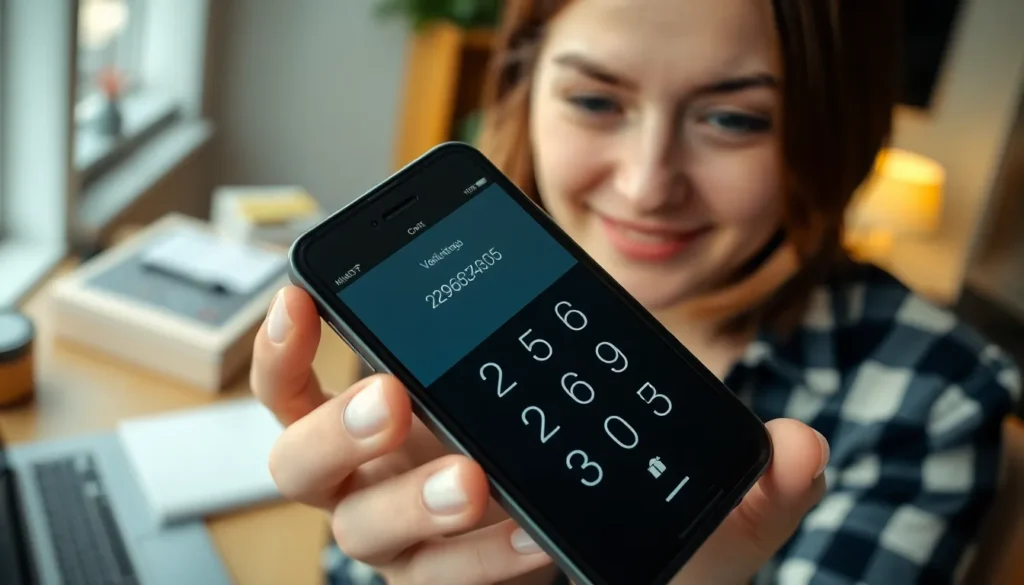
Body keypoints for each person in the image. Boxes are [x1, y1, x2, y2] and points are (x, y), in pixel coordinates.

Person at [250, 0, 1021, 583]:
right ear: (525, 85)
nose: (647, 185)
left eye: (733, 118)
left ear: (831, 131)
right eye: (595, 101)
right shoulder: (432, 301)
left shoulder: (931, 391)